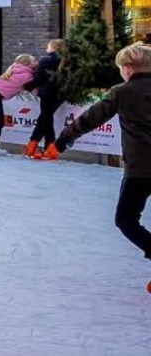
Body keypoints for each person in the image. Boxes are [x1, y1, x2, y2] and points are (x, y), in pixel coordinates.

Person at [54, 42, 151, 289]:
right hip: (140, 167)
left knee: (126, 220)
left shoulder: (122, 92)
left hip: (141, 168)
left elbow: (91, 117)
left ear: (127, 69)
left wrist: (64, 138)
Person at [27, 39, 66, 160]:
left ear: (54, 48)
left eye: (48, 46)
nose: (46, 49)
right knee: (44, 118)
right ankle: (33, 145)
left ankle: (49, 148)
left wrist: (27, 86)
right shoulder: (67, 60)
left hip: (47, 93)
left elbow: (39, 77)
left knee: (46, 120)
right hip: (61, 94)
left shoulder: (46, 59)